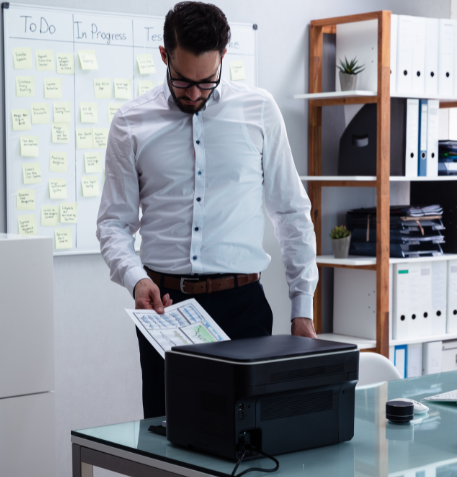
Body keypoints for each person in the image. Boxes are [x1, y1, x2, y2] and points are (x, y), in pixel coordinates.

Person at [97, 1, 317, 419]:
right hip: (166, 308)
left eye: (207, 81)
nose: (195, 93)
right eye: (182, 82)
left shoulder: (260, 111)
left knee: (249, 444)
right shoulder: (130, 123)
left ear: (223, 59)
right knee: (171, 444)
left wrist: (302, 307)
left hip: (243, 309)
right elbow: (113, 222)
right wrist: (134, 278)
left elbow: (291, 213)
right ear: (164, 55)